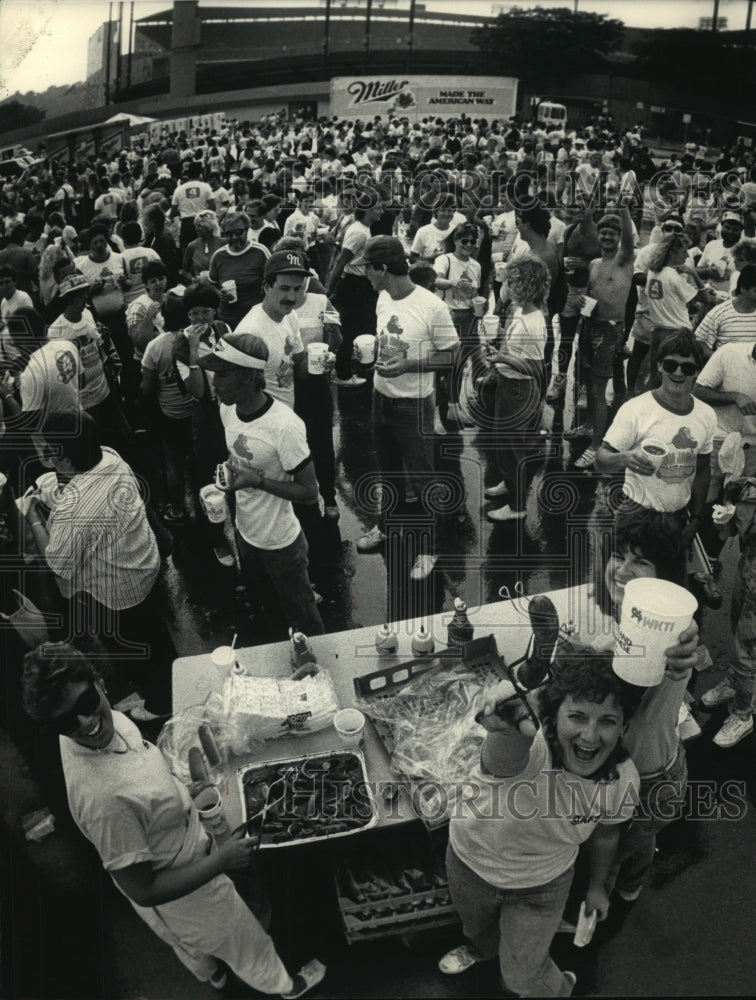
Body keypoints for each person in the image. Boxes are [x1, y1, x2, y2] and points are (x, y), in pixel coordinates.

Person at [21, 643, 326, 999]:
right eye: (65, 722)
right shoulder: (104, 803)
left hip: (164, 850)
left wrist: (180, 790)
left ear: (98, 681)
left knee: (191, 945)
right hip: (187, 890)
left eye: (86, 704)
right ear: (53, 727)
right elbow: (144, 889)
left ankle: (212, 975)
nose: (84, 723)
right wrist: (221, 861)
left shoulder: (106, 728)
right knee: (246, 943)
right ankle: (287, 986)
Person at [439, 647, 641, 996]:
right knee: (478, 931)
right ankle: (483, 952)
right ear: (553, 717)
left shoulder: (622, 783)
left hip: (544, 884)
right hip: (470, 865)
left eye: (607, 721)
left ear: (624, 726)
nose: (590, 737)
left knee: (521, 977)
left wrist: (596, 887)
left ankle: (557, 988)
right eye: (577, 717)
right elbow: (502, 756)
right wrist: (506, 725)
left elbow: (606, 835)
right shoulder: (527, 746)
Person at [22, 412, 175, 721]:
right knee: (157, 636)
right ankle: (172, 684)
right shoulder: (111, 456)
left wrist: (33, 517)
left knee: (133, 650)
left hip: (117, 592)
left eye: (51, 450)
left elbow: (59, 564)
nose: (46, 454)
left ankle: (160, 704)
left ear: (65, 462)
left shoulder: (73, 511)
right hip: (144, 563)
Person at [200, 331, 324, 636]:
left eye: (222, 375)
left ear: (246, 377)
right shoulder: (227, 408)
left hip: (281, 543)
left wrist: (258, 481)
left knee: (303, 616)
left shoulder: (285, 426)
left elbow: (309, 493)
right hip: (245, 533)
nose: (213, 383)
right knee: (267, 608)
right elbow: (239, 455)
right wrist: (229, 471)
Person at [354, 236, 459, 582]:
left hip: (413, 405)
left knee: (423, 477)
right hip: (380, 396)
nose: (364, 275)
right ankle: (386, 526)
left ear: (383, 268)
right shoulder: (382, 296)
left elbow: (453, 354)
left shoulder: (432, 306)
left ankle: (431, 547)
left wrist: (408, 365)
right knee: (387, 471)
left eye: (368, 268)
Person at [595, 330, 716, 533]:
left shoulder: (707, 415)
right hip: (635, 512)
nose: (677, 373)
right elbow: (601, 460)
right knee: (624, 565)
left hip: (677, 516)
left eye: (687, 368)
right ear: (659, 366)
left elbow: (703, 469)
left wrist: (695, 518)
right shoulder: (635, 409)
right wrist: (625, 459)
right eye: (670, 365)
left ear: (697, 371)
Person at [485, 254, 548, 522]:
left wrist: (501, 358)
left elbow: (534, 368)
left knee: (510, 447)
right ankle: (509, 485)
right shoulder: (521, 311)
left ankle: (516, 506)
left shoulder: (534, 323)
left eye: (511, 282)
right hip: (508, 383)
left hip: (518, 390)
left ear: (524, 286)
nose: (506, 286)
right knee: (502, 443)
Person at [571, 206, 635, 469]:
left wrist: (623, 209)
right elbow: (591, 294)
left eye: (613, 232)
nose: (607, 236)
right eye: (604, 232)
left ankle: (597, 445)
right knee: (585, 380)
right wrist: (581, 306)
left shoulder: (624, 259)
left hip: (609, 330)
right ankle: (588, 426)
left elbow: (630, 236)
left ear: (619, 236)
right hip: (590, 326)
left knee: (598, 390)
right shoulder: (595, 263)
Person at [642, 232, 716, 387]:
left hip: (657, 331)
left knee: (656, 378)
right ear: (672, 252)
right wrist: (693, 273)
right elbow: (707, 299)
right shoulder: (674, 277)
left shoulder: (652, 272)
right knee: (680, 379)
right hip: (677, 333)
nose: (687, 255)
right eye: (683, 251)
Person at [326, 201, 384, 387]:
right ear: (367, 210)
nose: (381, 211)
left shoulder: (363, 228)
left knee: (363, 325)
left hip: (360, 284)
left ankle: (356, 361)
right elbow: (341, 260)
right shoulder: (359, 231)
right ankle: (342, 373)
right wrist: (329, 289)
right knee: (351, 328)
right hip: (353, 285)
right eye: (378, 208)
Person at [208, 211, 270, 329]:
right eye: (229, 234)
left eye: (239, 232)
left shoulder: (260, 252)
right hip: (227, 320)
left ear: (247, 230)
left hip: (254, 319)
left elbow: (273, 280)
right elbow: (211, 284)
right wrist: (218, 293)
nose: (234, 237)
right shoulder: (218, 256)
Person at [695, 263, 756, 358]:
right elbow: (700, 343)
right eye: (755, 291)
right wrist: (721, 360)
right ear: (743, 289)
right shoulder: (719, 313)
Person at [170, 161, 215, 251]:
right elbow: (213, 207)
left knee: (187, 252)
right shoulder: (206, 186)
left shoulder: (179, 189)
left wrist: (183, 210)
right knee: (204, 251)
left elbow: (173, 212)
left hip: (186, 224)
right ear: (200, 173)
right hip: (203, 221)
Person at [696, 210, 744, 293]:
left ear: (741, 231)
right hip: (709, 294)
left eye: (735, 229)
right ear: (721, 227)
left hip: (731, 298)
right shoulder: (712, 245)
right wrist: (707, 272)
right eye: (727, 227)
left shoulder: (744, 250)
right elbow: (697, 271)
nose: (730, 231)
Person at [182, 210, 225, 282]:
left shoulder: (223, 243)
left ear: (209, 227)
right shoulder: (192, 246)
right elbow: (185, 271)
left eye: (200, 226)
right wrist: (193, 280)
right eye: (196, 226)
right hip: (202, 286)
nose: (196, 229)